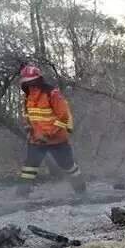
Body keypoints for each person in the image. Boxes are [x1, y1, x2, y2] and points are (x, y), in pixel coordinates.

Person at [15, 64, 86, 198]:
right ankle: (21, 195)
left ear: (38, 80)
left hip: (57, 139)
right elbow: (27, 115)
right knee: (29, 167)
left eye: (32, 82)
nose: (30, 85)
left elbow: (63, 116)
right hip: (36, 139)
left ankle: (82, 192)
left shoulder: (52, 93)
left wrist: (48, 134)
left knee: (68, 166)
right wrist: (29, 130)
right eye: (27, 83)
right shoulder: (27, 97)